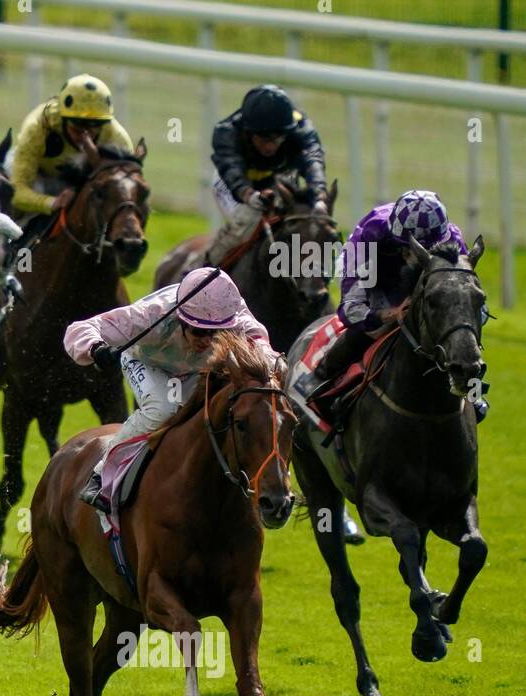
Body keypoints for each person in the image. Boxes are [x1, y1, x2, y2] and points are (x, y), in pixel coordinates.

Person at [63, 268, 278, 508]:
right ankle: (102, 476)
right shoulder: (153, 313)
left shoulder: (238, 320)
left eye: (215, 333)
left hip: (197, 371)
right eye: (198, 331)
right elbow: (80, 329)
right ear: (181, 319)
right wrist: (95, 348)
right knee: (164, 407)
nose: (206, 340)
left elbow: (264, 351)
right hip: (146, 361)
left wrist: (273, 366)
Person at [294, 189, 489, 422]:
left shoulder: (451, 238)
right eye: (407, 248)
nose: (414, 255)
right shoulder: (371, 232)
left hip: (428, 284)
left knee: (458, 323)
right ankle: (320, 378)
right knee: (370, 329)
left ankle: (474, 389)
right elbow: (350, 309)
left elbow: (465, 299)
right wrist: (388, 314)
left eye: (422, 251)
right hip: (377, 281)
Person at [207, 84, 328, 266]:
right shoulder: (226, 132)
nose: (271, 146)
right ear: (248, 132)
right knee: (247, 220)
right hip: (232, 185)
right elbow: (232, 170)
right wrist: (248, 194)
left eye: (278, 138)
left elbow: (313, 160)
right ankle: (203, 272)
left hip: (277, 178)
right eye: (264, 139)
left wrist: (319, 196)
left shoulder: (300, 127)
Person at [7, 74, 134, 219]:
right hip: (35, 175)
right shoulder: (38, 125)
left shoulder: (117, 139)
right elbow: (16, 191)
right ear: (63, 117)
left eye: (95, 126)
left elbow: (126, 193)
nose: (85, 135)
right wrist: (51, 203)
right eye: (78, 126)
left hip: (76, 185)